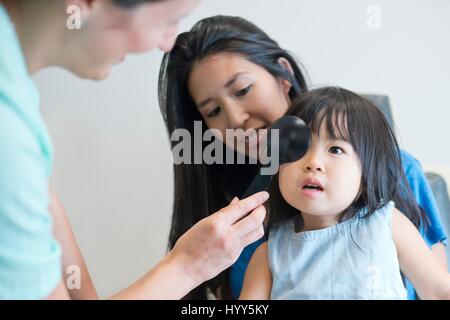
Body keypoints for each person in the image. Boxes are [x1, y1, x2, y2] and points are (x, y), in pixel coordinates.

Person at [158, 15, 448, 299]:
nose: (236, 118)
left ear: (283, 76)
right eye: (213, 111)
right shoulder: (237, 222)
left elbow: (437, 288)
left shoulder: (392, 184)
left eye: (243, 90)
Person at [0, 0, 270, 300]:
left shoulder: (18, 110)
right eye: (167, 21)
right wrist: (187, 267)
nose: (168, 42)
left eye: (243, 90)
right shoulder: (9, 132)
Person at [239, 87, 450, 300]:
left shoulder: (387, 224)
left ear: (367, 178)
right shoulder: (268, 255)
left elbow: (439, 292)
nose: (313, 163)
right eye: (299, 147)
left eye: (335, 150)